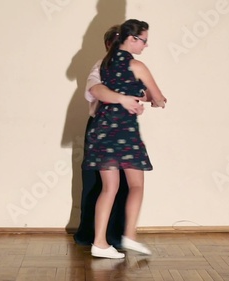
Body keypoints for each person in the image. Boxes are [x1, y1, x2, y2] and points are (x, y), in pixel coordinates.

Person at [82, 19, 167, 259]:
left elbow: (98, 90)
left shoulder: (105, 65)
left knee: (109, 188)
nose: (145, 45)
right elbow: (158, 98)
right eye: (144, 40)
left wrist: (135, 96)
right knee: (136, 185)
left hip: (102, 128)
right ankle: (129, 235)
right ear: (131, 39)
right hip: (124, 132)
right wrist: (155, 100)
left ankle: (99, 243)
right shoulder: (137, 65)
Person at [74, 25, 145, 249]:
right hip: (102, 129)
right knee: (99, 186)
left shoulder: (132, 68)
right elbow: (96, 90)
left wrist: (140, 99)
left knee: (124, 186)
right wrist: (123, 99)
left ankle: (116, 237)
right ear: (108, 45)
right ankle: (95, 237)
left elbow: (144, 93)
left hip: (124, 130)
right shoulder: (102, 66)